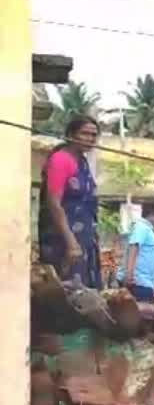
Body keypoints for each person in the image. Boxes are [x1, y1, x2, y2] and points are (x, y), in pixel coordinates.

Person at [39, 115, 102, 288]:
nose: (90, 139)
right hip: (64, 240)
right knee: (68, 292)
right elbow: (54, 203)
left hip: (84, 240)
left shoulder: (82, 161)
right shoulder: (61, 159)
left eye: (94, 135)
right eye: (85, 133)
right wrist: (71, 242)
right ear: (71, 134)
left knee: (88, 296)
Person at [117, 211, 154, 304]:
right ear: (151, 215)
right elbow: (134, 246)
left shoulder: (145, 229)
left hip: (142, 281)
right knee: (145, 314)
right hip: (138, 281)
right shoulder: (142, 227)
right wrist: (129, 275)